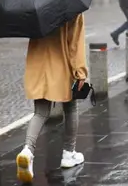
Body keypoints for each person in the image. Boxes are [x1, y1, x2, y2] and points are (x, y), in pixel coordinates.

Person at [16, 14, 87, 183]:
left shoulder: (36, 8)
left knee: (40, 113)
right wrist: (80, 72)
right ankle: (69, 153)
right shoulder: (73, 9)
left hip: (38, 66)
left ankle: (27, 150)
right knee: (71, 108)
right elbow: (75, 44)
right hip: (63, 67)